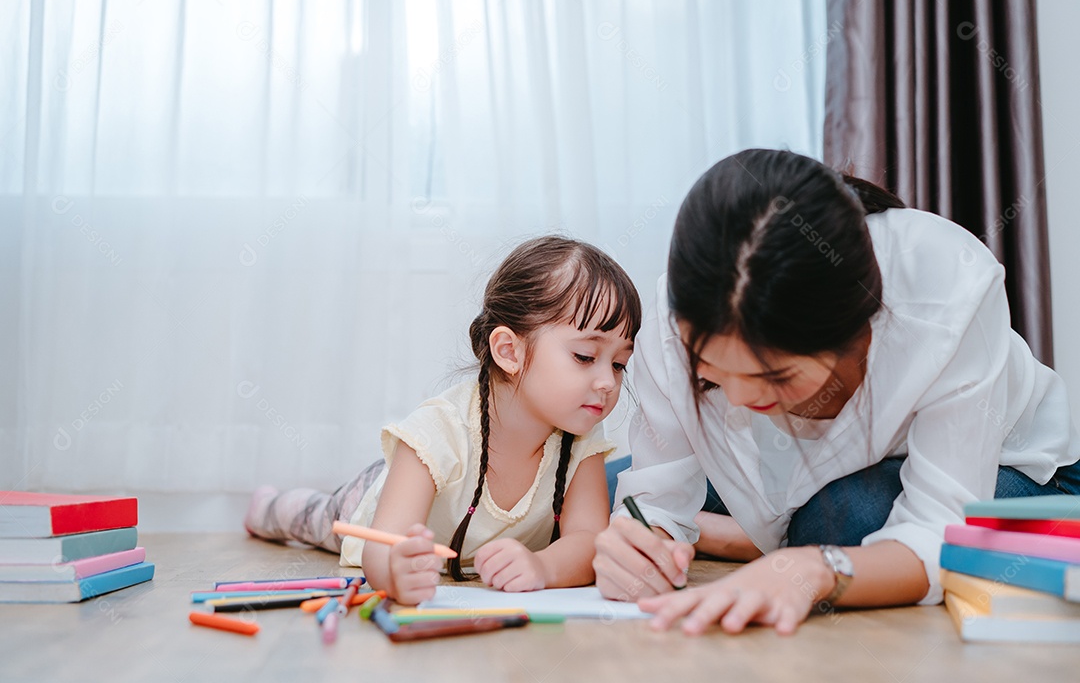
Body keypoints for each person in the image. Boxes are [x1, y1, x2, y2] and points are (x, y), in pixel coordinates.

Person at [595, 148, 1080, 635]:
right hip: (797, 473)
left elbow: (940, 531)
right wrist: (641, 546)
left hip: (1010, 468)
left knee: (842, 521)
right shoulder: (674, 322)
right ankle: (750, 536)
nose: (738, 399)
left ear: (852, 332)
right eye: (711, 375)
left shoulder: (945, 292)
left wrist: (817, 570)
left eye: (775, 377)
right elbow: (654, 501)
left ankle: (760, 540)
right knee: (607, 490)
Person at [246, 235, 640, 605]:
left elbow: (589, 539)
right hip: (372, 499)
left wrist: (542, 567)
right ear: (509, 351)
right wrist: (394, 573)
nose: (607, 382)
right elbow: (381, 544)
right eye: (585, 357)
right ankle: (268, 506)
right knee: (316, 518)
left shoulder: (581, 436)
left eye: (619, 364)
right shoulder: (439, 430)